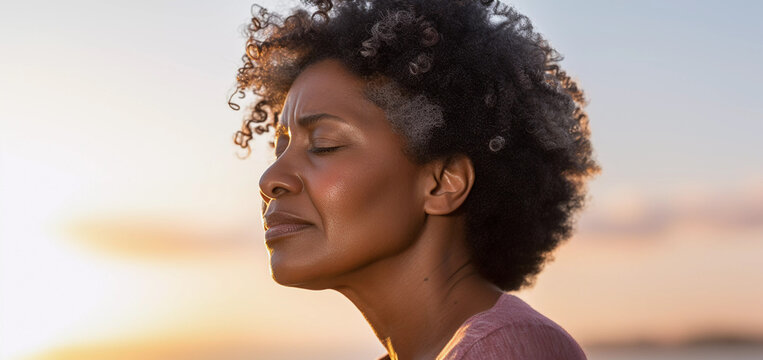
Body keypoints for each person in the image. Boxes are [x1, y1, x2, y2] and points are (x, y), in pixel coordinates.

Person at [229, 0, 599, 359]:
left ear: (442, 183)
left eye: (324, 145)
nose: (270, 179)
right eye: (280, 150)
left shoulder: (513, 349)